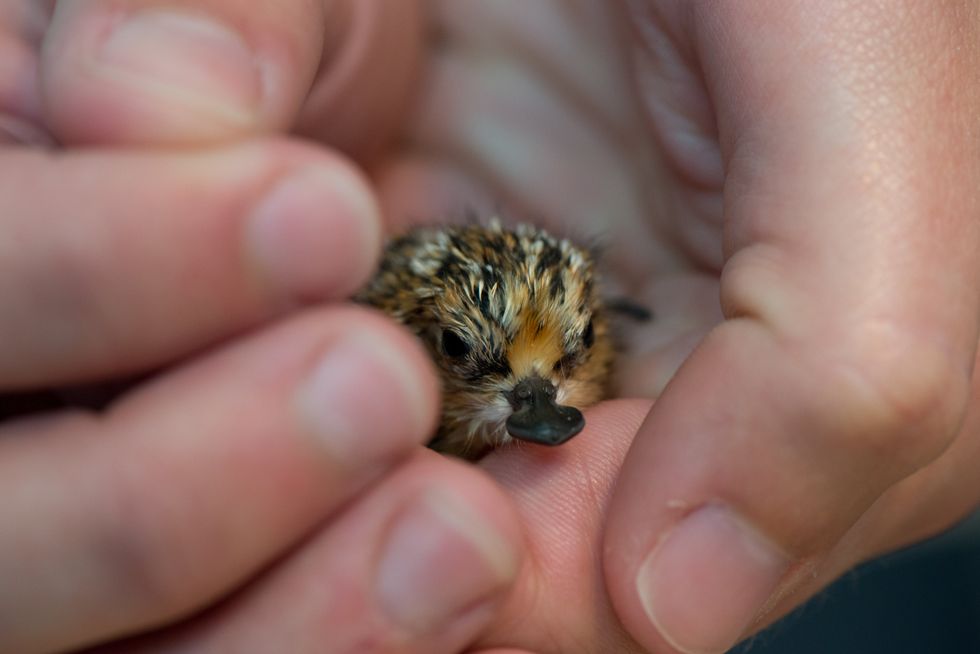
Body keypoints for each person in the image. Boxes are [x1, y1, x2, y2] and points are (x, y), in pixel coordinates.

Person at [1, 1, 978, 653]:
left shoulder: (581, 319)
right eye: (483, 366)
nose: (536, 406)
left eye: (561, 364)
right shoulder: (365, 335)